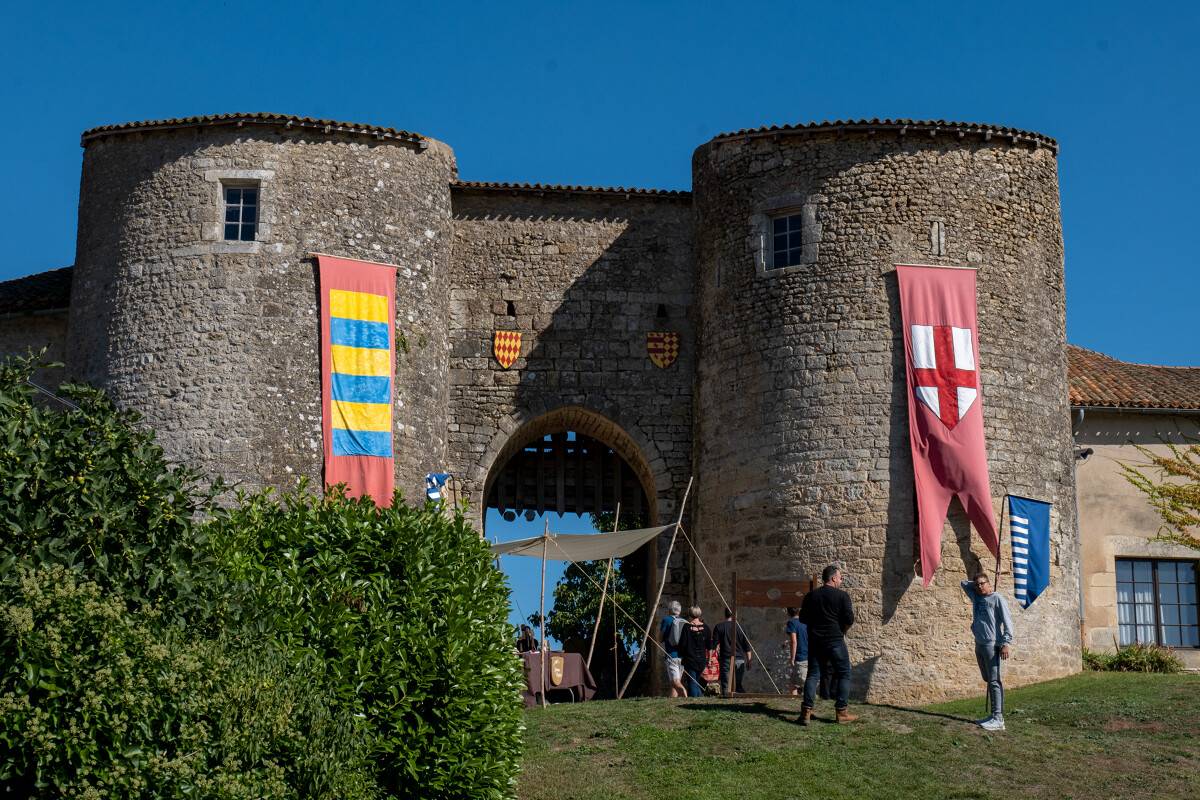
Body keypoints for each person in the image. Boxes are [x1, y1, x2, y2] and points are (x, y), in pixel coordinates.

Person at [799, 564, 857, 724]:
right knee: (844, 672)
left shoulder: (811, 596)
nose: (841, 580)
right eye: (839, 577)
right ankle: (841, 712)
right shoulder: (842, 596)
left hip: (816, 640)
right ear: (833, 578)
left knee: (813, 674)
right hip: (835, 639)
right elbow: (849, 619)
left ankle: (806, 712)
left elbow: (803, 618)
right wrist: (841, 630)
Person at [962, 572, 1014, 731]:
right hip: (979, 644)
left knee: (994, 681)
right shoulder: (976, 597)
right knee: (987, 679)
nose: (979, 586)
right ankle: (992, 715)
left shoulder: (997, 599)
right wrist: (977, 583)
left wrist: (1006, 643)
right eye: (977, 584)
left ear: (989, 583)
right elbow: (964, 583)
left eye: (983, 583)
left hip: (992, 645)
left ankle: (998, 718)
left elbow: (1008, 622)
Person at [711, 608, 752, 697]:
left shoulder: (719, 627)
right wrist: (749, 661)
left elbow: (714, 645)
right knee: (738, 685)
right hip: (739, 659)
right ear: (735, 615)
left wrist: (711, 659)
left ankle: (727, 705)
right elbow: (747, 646)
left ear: (725, 614)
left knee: (726, 686)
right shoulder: (741, 627)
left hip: (726, 659)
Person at [677, 606, 711, 697]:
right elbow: (709, 646)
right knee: (696, 681)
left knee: (692, 682)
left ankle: (695, 701)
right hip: (702, 660)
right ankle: (700, 699)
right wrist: (710, 659)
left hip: (690, 660)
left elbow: (682, 644)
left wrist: (680, 655)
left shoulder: (687, 627)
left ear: (690, 614)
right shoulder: (706, 627)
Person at [660, 600, 687, 698]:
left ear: (670, 610)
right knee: (676, 681)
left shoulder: (666, 620)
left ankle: (684, 692)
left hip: (671, 655)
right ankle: (672, 702)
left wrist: (660, 638)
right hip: (682, 656)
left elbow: (661, 637)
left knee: (674, 681)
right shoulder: (684, 621)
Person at [786, 606, 808, 696]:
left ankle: (795, 704)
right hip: (809, 655)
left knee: (797, 684)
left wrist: (792, 658)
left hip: (800, 657)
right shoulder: (805, 622)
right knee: (793, 683)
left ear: (788, 612)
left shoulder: (791, 623)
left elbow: (794, 641)